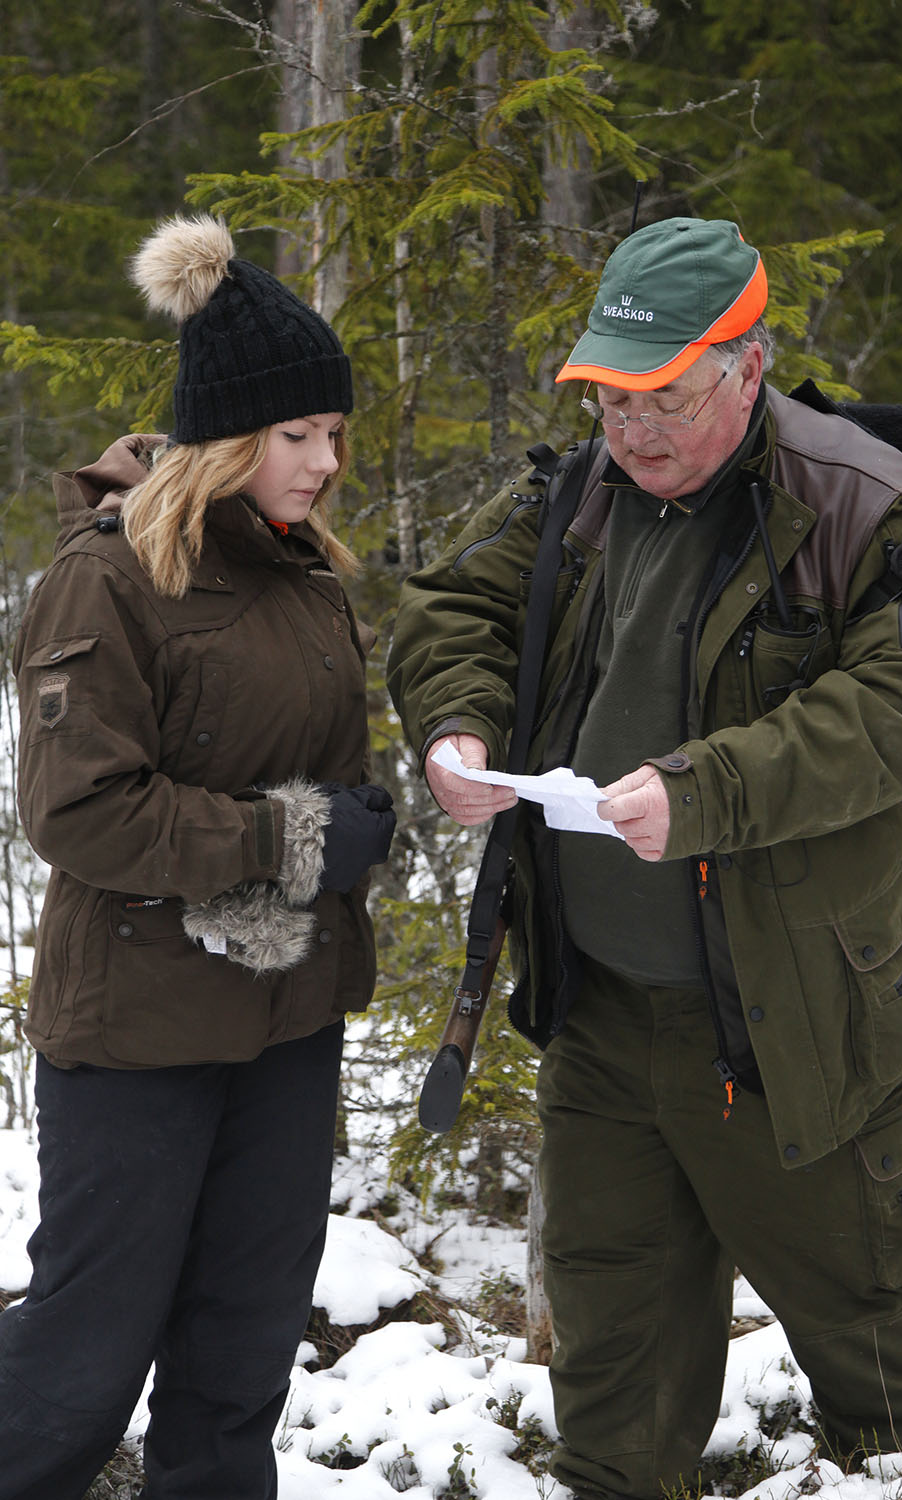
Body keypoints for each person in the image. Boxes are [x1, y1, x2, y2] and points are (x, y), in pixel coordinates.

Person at [387, 217, 902, 1499]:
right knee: (613, 1397)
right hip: (603, 1015)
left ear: (748, 367)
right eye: (611, 396)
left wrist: (704, 791)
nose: (632, 427)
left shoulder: (866, 507)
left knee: (899, 1407)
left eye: (664, 397)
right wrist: (458, 719)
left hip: (805, 1029)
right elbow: (458, 605)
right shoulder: (581, 492)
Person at [0, 214, 395, 1500]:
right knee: (82, 1361)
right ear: (228, 438)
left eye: (334, 433)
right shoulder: (107, 582)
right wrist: (297, 838)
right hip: (140, 1026)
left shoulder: (303, 573)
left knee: (239, 1359)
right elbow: (80, 809)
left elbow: (313, 755)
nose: (328, 461)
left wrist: (364, 813)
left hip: (285, 1019)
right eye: (298, 435)